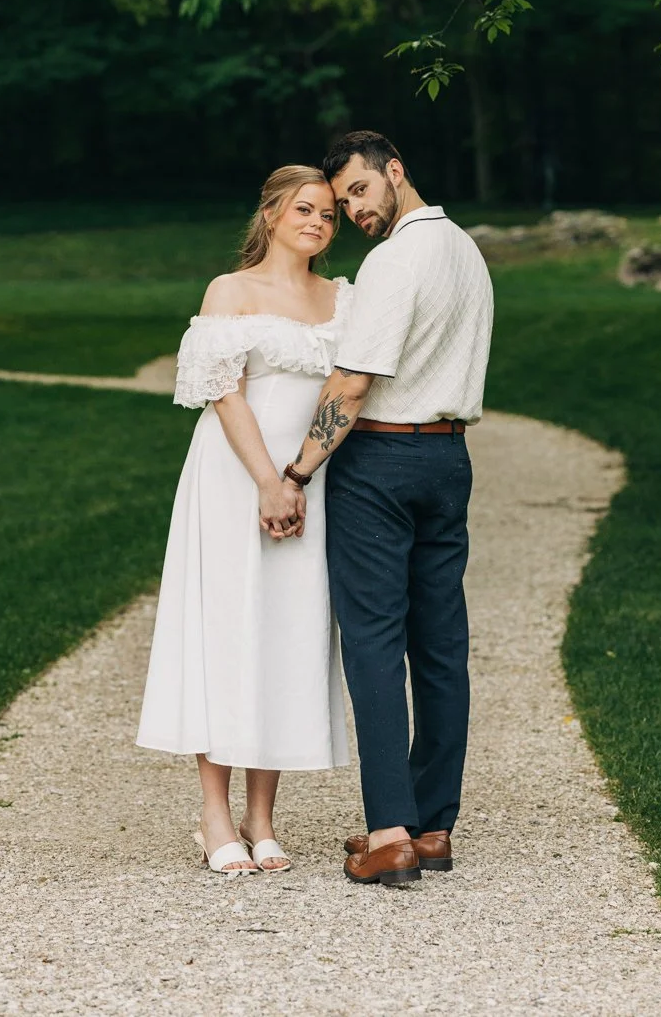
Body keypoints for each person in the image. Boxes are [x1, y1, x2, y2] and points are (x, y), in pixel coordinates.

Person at [278, 131, 493, 886]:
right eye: (343, 205)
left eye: (361, 193)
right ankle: (434, 828)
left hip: (382, 460)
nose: (355, 211)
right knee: (440, 647)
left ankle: (389, 833)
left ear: (395, 171)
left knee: (371, 641)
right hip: (448, 458)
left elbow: (352, 384)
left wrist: (299, 471)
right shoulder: (466, 249)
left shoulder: (396, 259)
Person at [136, 166, 350, 877]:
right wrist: (267, 480)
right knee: (228, 630)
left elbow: (347, 390)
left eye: (328, 214)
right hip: (237, 476)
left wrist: (299, 479)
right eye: (304, 210)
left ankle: (263, 817)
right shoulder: (232, 291)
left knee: (289, 630)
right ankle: (215, 814)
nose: (318, 222)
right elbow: (224, 394)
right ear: (271, 213)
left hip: (309, 481)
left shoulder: (342, 297)